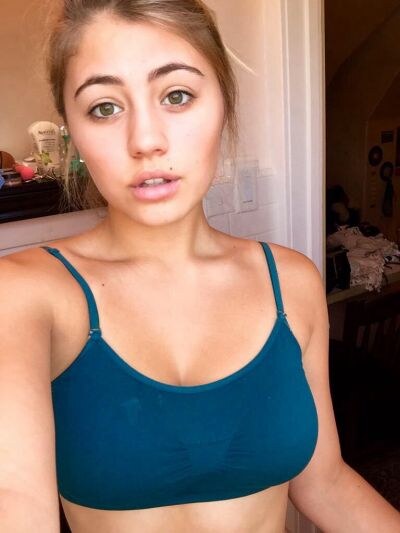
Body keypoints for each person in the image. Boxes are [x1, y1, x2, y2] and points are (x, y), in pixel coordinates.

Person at [1, 1, 399, 532]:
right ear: (71, 127)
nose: (146, 141)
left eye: (177, 95)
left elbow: (324, 482)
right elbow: (15, 502)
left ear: (224, 104)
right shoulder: (26, 296)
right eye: (104, 107)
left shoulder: (292, 283)